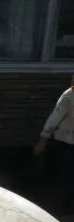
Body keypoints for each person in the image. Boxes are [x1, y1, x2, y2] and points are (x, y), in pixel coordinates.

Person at [34, 75, 74, 214]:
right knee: (62, 178)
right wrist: (43, 140)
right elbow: (54, 119)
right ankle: (56, 210)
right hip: (65, 143)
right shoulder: (69, 96)